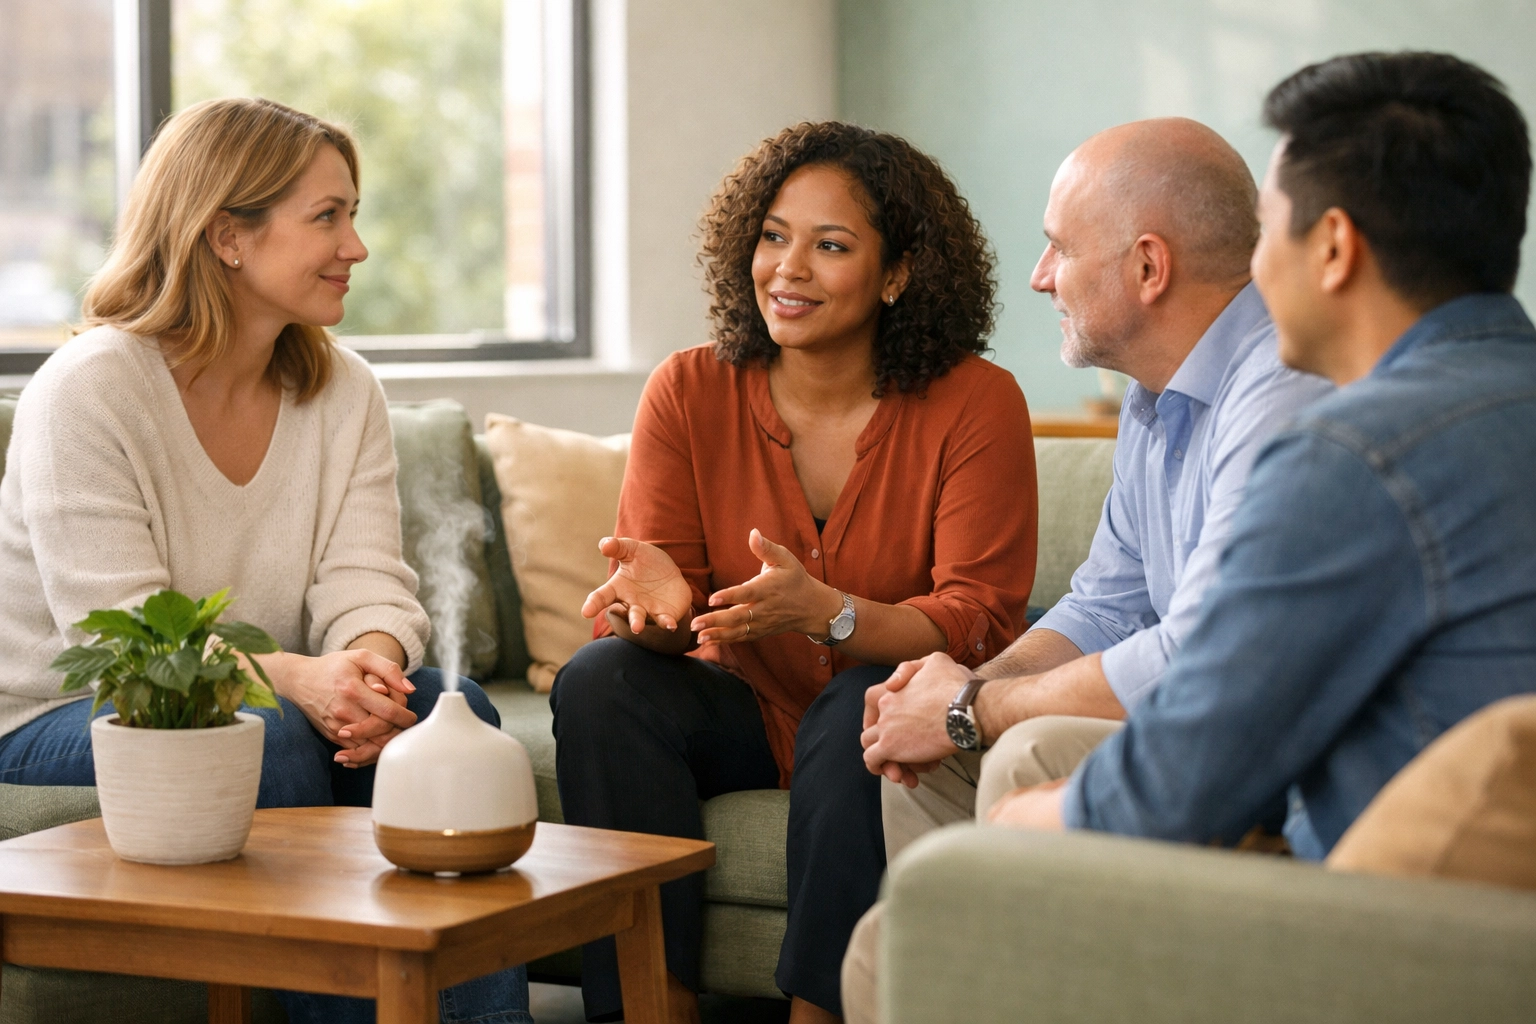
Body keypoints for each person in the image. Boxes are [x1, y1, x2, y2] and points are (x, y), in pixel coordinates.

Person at [0, 98, 530, 1024]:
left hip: (270, 691)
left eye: (352, 215)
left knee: (451, 715)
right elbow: (129, 645)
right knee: (264, 733)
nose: (356, 246)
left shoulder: (344, 389)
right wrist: (300, 681)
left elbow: (369, 583)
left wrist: (369, 671)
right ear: (228, 237)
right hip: (59, 715)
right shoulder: (88, 392)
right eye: (327, 217)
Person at [985, 49, 1536, 894]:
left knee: (908, 924)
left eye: (1266, 230)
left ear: (1333, 248)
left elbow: (1181, 778)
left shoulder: (1353, 455)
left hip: (1384, 920)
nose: (1250, 269)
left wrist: (1012, 824)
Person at [550, 122, 1036, 1024]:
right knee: (602, 679)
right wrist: (654, 614)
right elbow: (658, 618)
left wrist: (829, 613)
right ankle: (647, 1009)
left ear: (897, 275)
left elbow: (977, 620)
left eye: (831, 246)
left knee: (866, 704)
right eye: (773, 236)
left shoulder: (978, 401)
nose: (789, 268)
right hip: (743, 705)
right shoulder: (687, 390)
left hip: (881, 708)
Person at [857, 118, 1332, 861]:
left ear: (1148, 267)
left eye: (1061, 247)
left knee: (1023, 751)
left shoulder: (1283, 390)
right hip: (1197, 722)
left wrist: (971, 705)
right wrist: (962, 688)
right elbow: (1107, 608)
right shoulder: (1150, 398)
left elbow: (1203, 656)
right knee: (934, 755)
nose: (1040, 275)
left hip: (1284, 753)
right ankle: (939, 940)